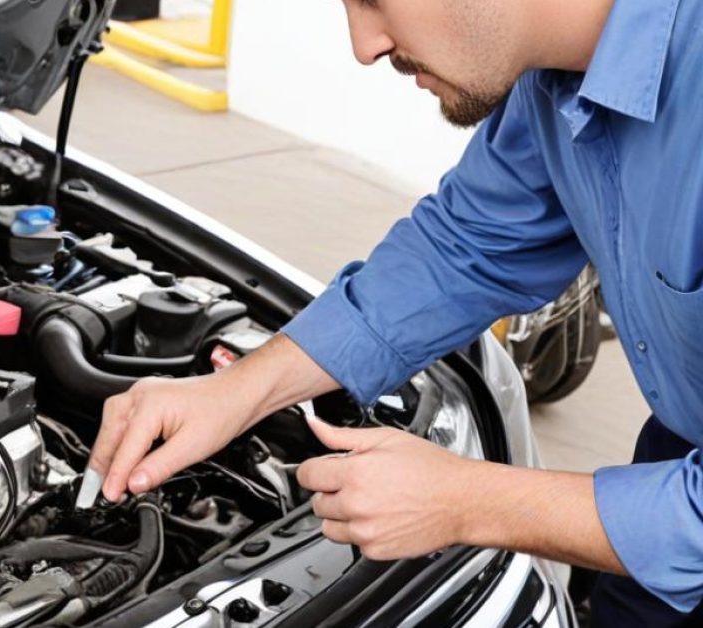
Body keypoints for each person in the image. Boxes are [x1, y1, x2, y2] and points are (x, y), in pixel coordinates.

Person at [83, 0, 703, 625]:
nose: (364, 45)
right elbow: (467, 247)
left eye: (373, 1)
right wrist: (235, 392)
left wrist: (469, 501)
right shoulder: (552, 76)